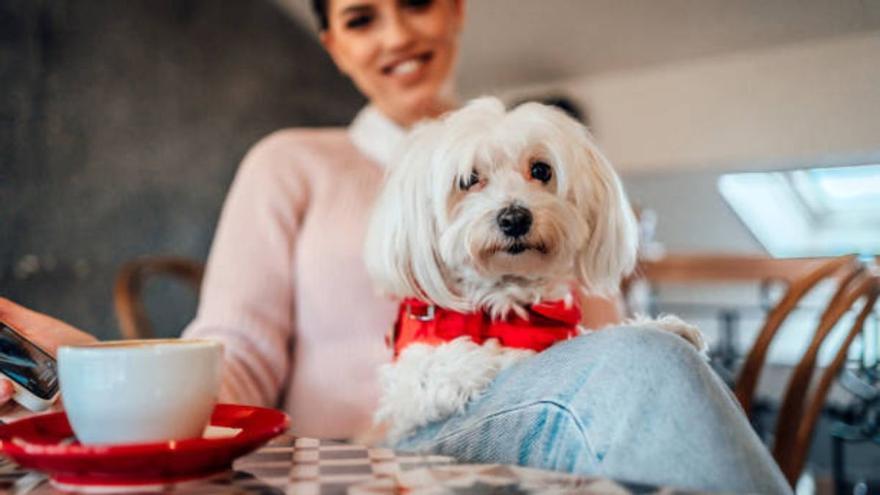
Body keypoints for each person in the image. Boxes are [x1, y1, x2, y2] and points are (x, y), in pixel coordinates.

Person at [0, 0, 791, 492]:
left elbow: (597, 353)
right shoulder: (291, 163)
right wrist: (107, 383)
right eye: (360, 17)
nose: (397, 35)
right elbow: (236, 351)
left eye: (415, 2)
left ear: (455, 9)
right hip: (365, 456)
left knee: (646, 357)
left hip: (539, 431)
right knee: (649, 358)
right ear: (333, 44)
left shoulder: (539, 158)